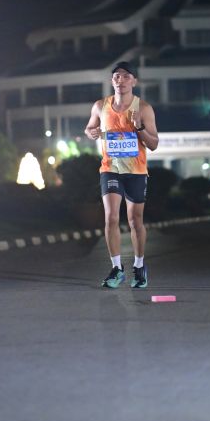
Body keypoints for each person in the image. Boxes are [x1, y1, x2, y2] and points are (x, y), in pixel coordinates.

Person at [84, 61, 159, 288]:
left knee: (135, 220)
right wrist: (91, 132)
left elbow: (154, 144)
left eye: (126, 76)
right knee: (111, 217)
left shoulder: (143, 108)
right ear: (112, 81)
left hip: (136, 171)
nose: (121, 80)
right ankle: (117, 269)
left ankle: (139, 266)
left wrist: (139, 127)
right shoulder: (100, 106)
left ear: (134, 81)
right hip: (110, 169)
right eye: (117, 76)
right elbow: (89, 128)